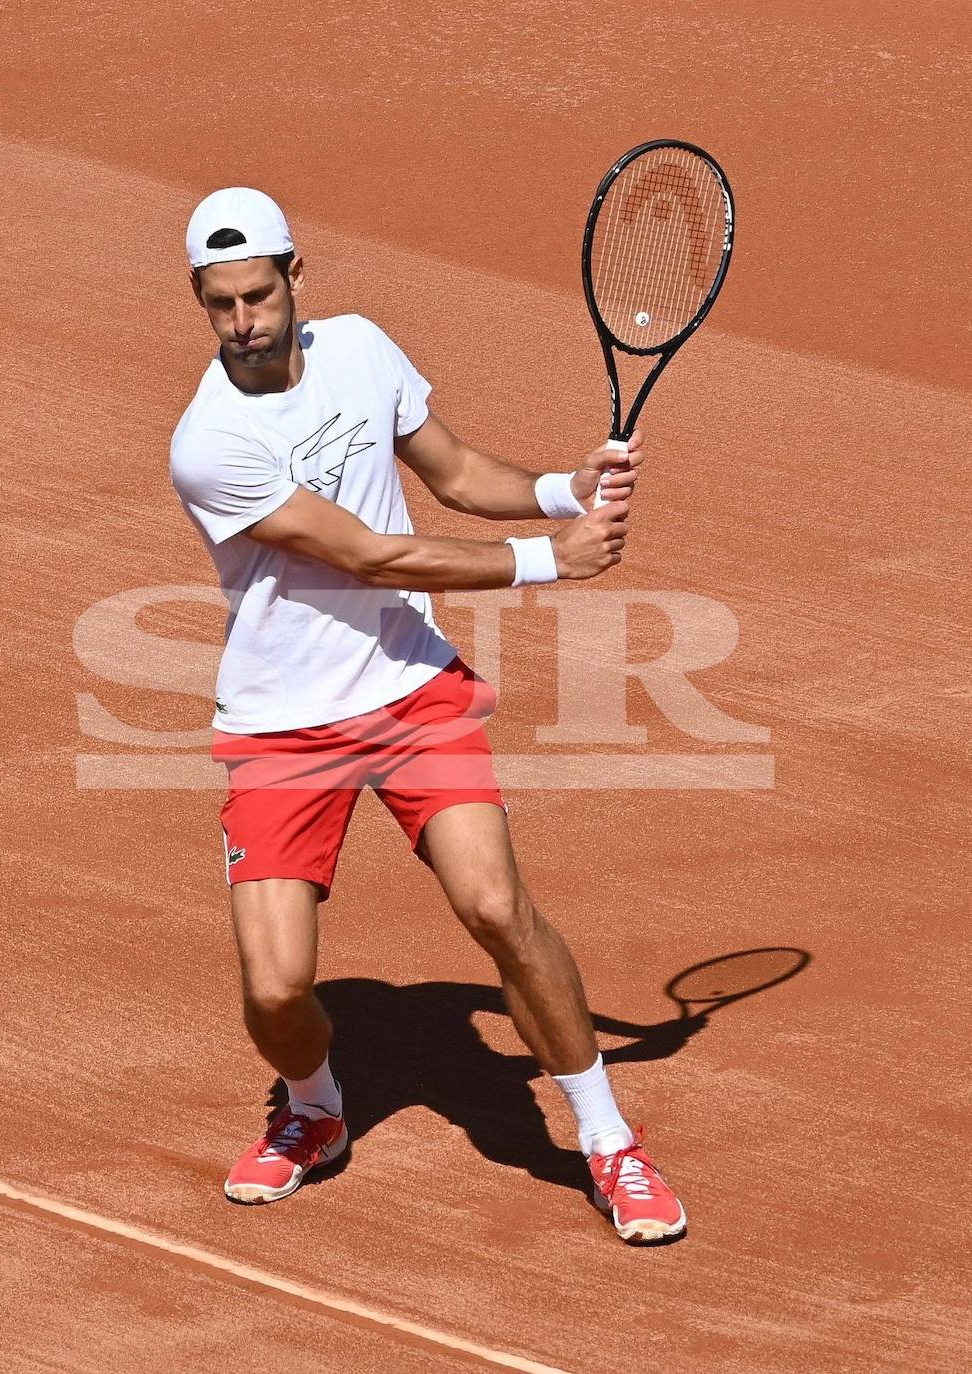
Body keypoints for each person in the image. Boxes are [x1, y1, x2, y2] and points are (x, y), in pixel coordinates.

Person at [170, 186, 686, 1244]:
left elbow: (450, 473)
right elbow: (371, 554)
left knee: (496, 908)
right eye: (219, 303)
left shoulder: (359, 348)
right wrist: (553, 562)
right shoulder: (208, 443)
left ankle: (606, 1144)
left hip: (408, 691)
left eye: (257, 294)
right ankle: (314, 1109)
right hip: (283, 724)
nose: (241, 322)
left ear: (294, 276)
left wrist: (556, 489)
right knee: (275, 992)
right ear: (199, 299)